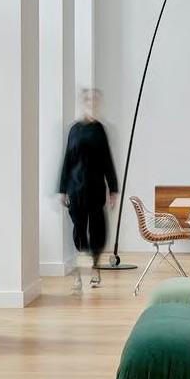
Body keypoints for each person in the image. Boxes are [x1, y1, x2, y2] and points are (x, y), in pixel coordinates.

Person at [59, 87, 119, 287]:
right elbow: (67, 159)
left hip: (96, 188)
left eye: (95, 100)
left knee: (97, 229)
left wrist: (113, 189)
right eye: (88, 99)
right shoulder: (74, 130)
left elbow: (107, 160)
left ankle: (94, 268)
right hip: (76, 188)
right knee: (78, 229)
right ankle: (79, 270)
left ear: (98, 103)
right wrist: (62, 189)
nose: (92, 103)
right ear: (83, 103)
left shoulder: (99, 130)